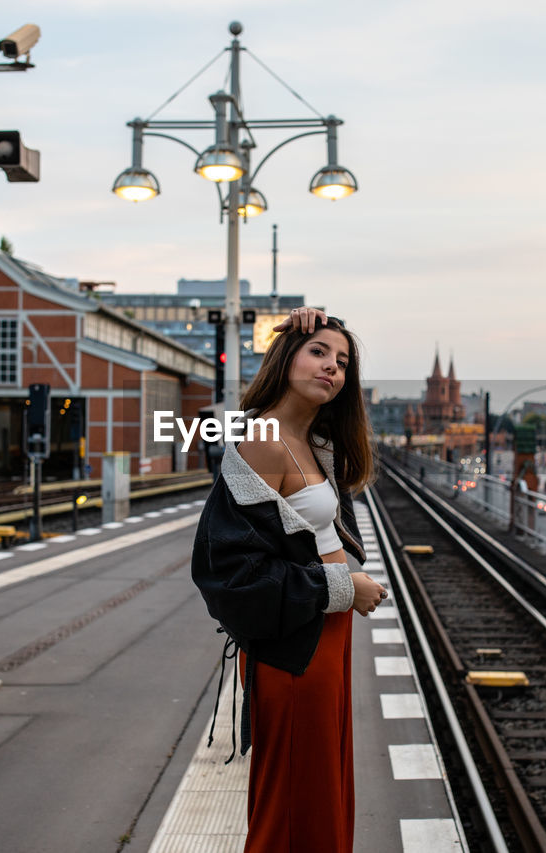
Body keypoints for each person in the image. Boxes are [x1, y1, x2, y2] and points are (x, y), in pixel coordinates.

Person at [191, 306, 385, 853]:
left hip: (322, 636)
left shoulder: (309, 444)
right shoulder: (264, 442)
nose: (332, 368)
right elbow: (233, 573)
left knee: (320, 787)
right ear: (286, 357)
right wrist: (346, 587)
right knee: (296, 800)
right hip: (295, 647)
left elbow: (308, 539)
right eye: (318, 351)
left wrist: (345, 578)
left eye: (342, 361)